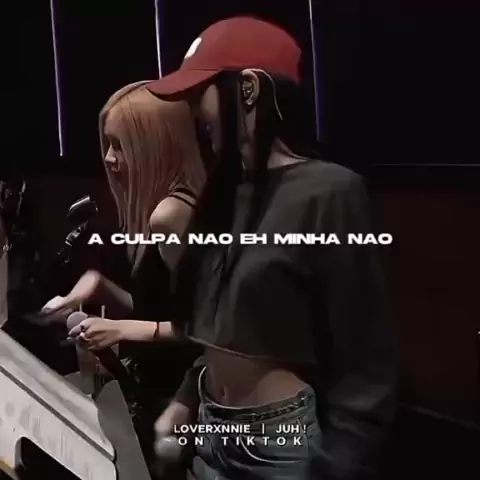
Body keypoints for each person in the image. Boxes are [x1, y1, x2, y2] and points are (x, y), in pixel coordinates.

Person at [143, 16, 397, 480]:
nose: (195, 112)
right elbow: (227, 327)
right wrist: (185, 400)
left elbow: (365, 362)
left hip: (281, 445)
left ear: (248, 89)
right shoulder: (222, 195)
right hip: (210, 431)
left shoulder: (328, 193)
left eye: (201, 93)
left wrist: (338, 468)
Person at [40, 81, 206, 471]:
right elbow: (159, 309)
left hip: (182, 403)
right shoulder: (161, 208)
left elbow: (208, 331)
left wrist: (121, 329)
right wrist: (100, 287)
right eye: (107, 144)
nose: (109, 158)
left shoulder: (171, 215)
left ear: (155, 145)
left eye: (120, 145)